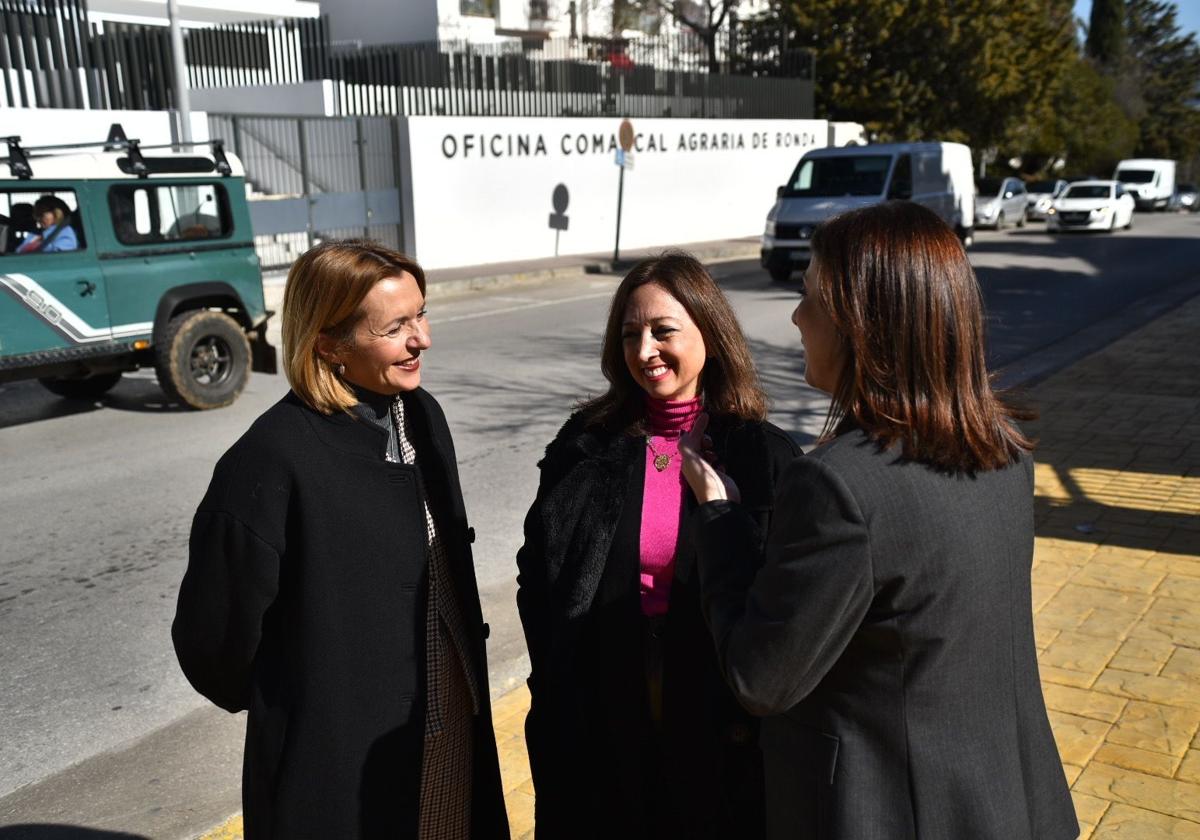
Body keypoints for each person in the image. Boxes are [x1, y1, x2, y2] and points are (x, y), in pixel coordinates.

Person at [679, 201, 1079, 839]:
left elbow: (762, 676)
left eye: (810, 295)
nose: (796, 315)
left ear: (861, 323)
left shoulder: (838, 486)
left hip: (892, 812)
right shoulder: (1002, 451)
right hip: (1007, 802)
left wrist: (721, 520)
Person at [172, 240, 509, 840]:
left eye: (421, 314)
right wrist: (314, 700)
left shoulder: (421, 415)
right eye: (396, 326)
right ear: (329, 344)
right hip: (337, 768)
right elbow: (213, 642)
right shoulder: (270, 461)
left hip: (446, 729)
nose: (421, 339)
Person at [516, 252, 799, 840]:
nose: (645, 351)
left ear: (711, 334)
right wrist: (557, 669)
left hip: (715, 714)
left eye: (663, 331)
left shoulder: (761, 455)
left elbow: (786, 603)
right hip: (604, 708)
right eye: (630, 334)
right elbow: (536, 571)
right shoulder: (587, 443)